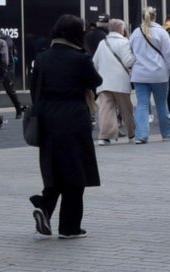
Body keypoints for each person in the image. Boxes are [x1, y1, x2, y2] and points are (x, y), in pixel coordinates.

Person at [29, 13, 102, 239]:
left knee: (55, 169)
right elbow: (96, 81)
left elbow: (34, 90)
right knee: (75, 173)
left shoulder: (42, 57)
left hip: (47, 118)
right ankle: (69, 227)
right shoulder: (80, 58)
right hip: (73, 117)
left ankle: (44, 206)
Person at [129, 5, 170, 143]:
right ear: (155, 17)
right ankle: (167, 132)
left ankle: (141, 135)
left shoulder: (135, 33)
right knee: (161, 104)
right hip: (159, 74)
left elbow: (130, 51)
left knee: (142, 105)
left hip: (139, 74)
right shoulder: (162, 33)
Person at [92, 18, 135, 144]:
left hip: (104, 82)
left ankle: (104, 136)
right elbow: (128, 61)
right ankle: (131, 134)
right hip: (121, 81)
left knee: (106, 110)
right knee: (126, 109)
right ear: (121, 29)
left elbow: (95, 63)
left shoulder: (102, 43)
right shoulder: (124, 42)